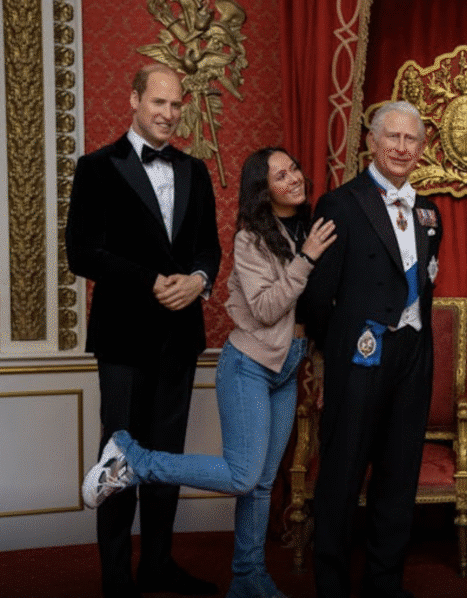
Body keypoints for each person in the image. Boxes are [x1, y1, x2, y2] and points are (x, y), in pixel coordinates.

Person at [81, 147, 337, 598]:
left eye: (294, 167)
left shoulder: (307, 227)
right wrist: (308, 259)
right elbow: (265, 307)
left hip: (288, 363)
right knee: (242, 475)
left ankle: (248, 578)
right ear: (263, 189)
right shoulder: (251, 239)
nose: (294, 177)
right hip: (249, 367)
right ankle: (134, 459)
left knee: (260, 485)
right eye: (280, 175)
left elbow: (314, 304)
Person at [65, 63, 222, 598]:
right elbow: (81, 253)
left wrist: (198, 280)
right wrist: (153, 281)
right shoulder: (96, 167)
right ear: (134, 100)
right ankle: (116, 576)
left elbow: (209, 247)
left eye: (176, 105)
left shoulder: (195, 171)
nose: (169, 114)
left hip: (180, 338)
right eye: (159, 103)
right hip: (123, 339)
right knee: (120, 458)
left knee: (167, 459)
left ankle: (157, 563)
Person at [300, 101, 442, 598]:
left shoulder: (429, 211)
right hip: (358, 358)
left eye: (412, 140)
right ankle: (333, 585)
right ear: (372, 142)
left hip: (412, 357)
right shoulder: (341, 204)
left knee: (399, 474)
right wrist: (336, 351)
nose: (402, 148)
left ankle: (385, 583)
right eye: (393, 138)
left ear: (422, 149)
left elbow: (425, 284)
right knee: (341, 475)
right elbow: (317, 297)